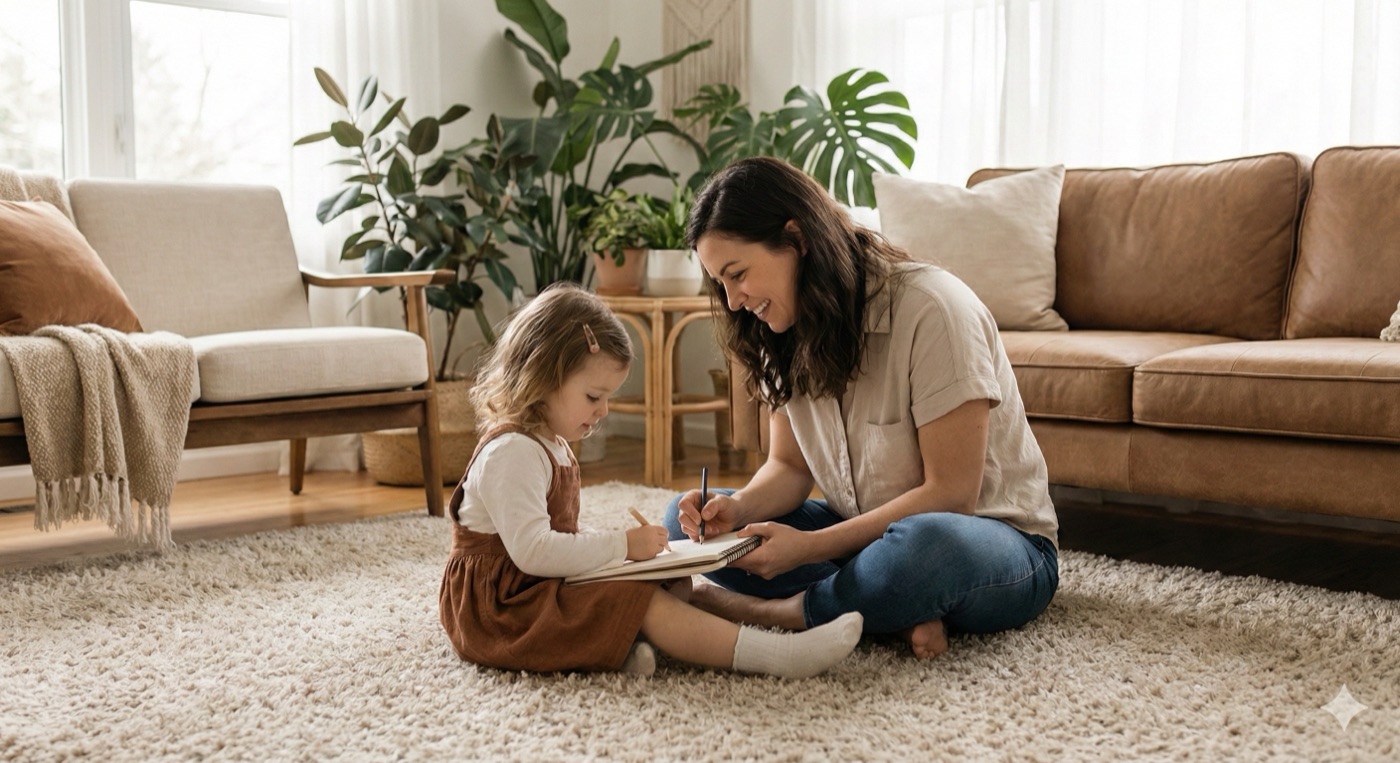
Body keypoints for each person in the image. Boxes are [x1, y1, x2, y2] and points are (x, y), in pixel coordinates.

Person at [664, 157, 1060, 660]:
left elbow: (952, 495)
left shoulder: (931, 310)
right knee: (681, 527)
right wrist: (736, 510)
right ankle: (886, 608)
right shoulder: (778, 327)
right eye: (720, 283)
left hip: (989, 544)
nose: (734, 301)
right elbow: (788, 468)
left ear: (796, 238)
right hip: (863, 538)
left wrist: (809, 548)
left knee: (924, 550)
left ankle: (779, 613)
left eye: (737, 274)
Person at [438, 283, 863, 678]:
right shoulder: (512, 452)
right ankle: (777, 657)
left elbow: (553, 539)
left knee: (670, 583)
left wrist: (630, 560)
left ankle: (621, 648)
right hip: (501, 611)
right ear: (541, 376)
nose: (603, 411)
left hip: (537, 588)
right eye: (593, 396)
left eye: (607, 398)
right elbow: (533, 552)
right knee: (642, 601)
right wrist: (621, 546)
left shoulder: (551, 443)